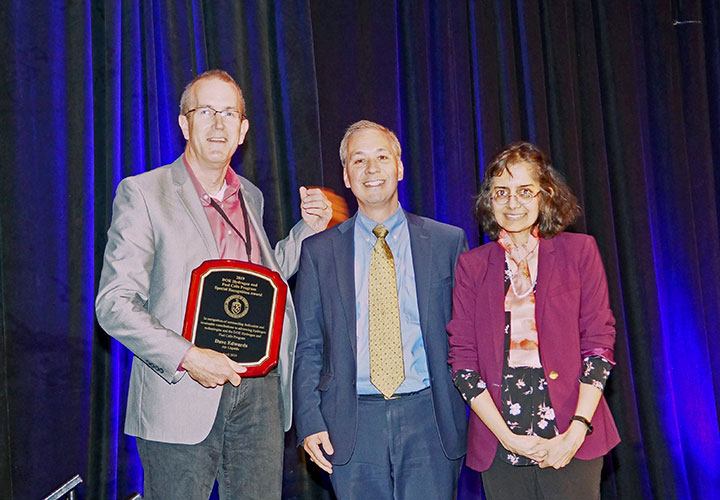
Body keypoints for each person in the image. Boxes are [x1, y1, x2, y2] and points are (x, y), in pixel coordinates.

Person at [95, 69, 332, 500]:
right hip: (180, 392)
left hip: (257, 390)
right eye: (206, 111)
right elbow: (115, 303)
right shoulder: (144, 193)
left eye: (229, 113)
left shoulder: (251, 196)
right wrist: (187, 356)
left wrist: (304, 233)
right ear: (185, 123)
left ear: (243, 130)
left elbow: (261, 286)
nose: (218, 124)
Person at [292, 120, 468, 500]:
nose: (371, 170)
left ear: (400, 167)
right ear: (346, 175)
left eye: (382, 157)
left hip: (430, 418)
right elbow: (307, 345)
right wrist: (308, 420)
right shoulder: (319, 252)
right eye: (359, 160)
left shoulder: (447, 242)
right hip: (351, 422)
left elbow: (467, 338)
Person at [447, 141, 620, 499]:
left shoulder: (580, 252)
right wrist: (506, 437)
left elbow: (599, 345)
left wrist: (576, 430)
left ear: (545, 195)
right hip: (499, 440)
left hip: (573, 434)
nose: (513, 203)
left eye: (525, 191)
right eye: (501, 193)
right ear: (488, 201)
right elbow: (462, 361)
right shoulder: (471, 266)